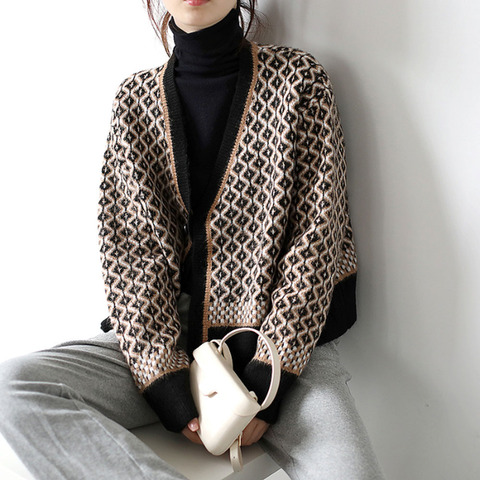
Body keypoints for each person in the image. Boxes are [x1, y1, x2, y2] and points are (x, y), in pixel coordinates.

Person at [0, 1, 386, 479]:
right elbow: (132, 256)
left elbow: (316, 241)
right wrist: (167, 386)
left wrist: (267, 383)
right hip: (165, 340)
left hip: (284, 343)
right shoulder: (136, 101)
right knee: (13, 387)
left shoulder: (299, 81)